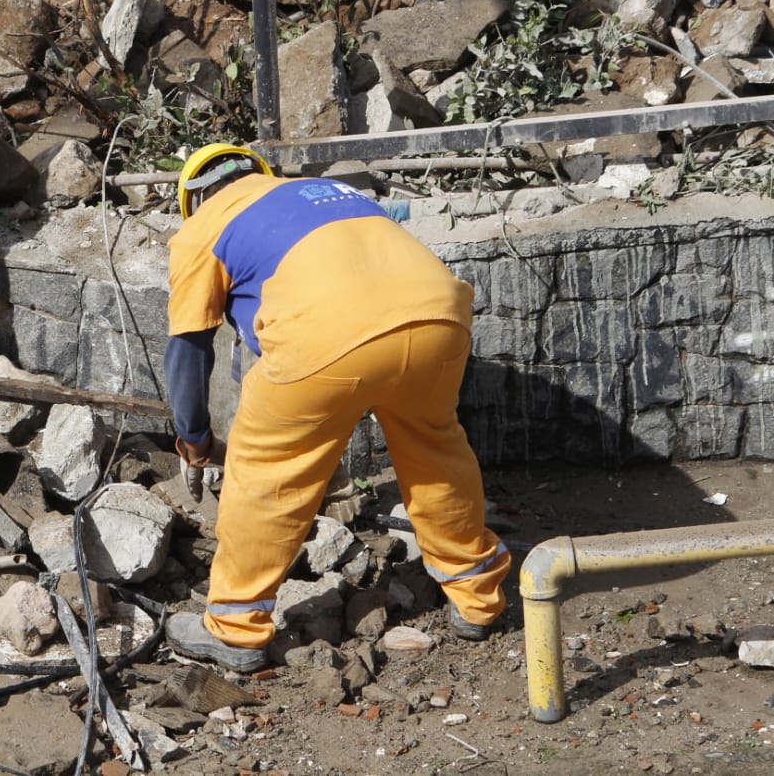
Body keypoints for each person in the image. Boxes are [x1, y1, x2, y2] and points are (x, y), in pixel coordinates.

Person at [160, 143, 511, 672]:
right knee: (433, 447)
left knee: (266, 472)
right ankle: (477, 597)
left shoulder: (201, 228)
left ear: (194, 198)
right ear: (259, 172)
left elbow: (188, 347)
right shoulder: (330, 193)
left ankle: (234, 628)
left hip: (324, 336)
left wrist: (194, 437)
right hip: (440, 316)